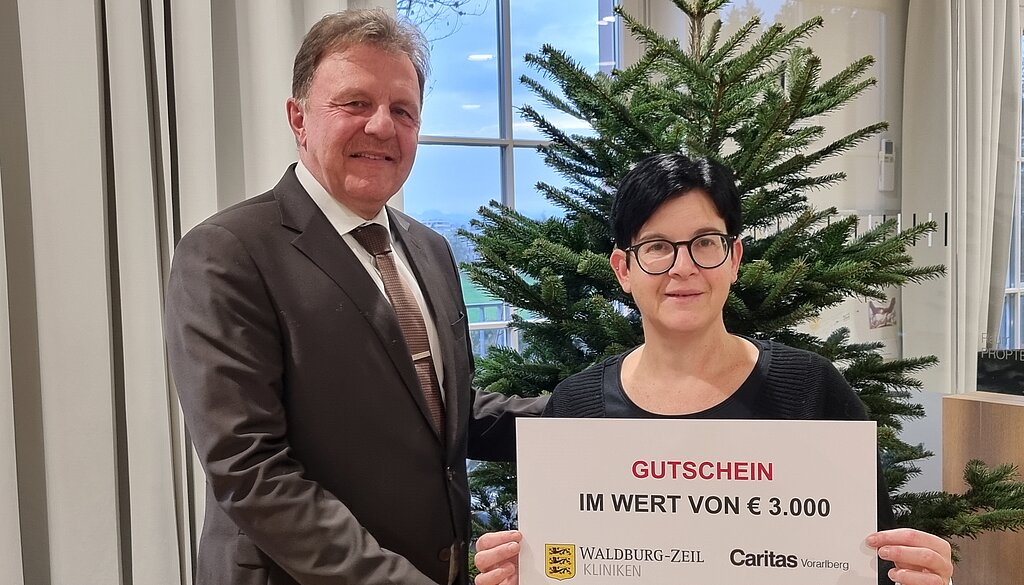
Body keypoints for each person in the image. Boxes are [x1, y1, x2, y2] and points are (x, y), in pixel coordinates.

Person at [164, 9, 545, 585]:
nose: (382, 127)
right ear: (299, 118)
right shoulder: (227, 253)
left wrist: (606, 409)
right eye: (355, 103)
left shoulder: (430, 249)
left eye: (403, 110)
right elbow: (251, 471)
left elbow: (449, 415)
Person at [471, 153, 954, 585]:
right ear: (623, 269)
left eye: (705, 242)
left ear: (734, 258)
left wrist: (921, 577)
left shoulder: (810, 388)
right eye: (657, 246)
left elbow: (874, 562)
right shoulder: (576, 407)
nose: (683, 266)